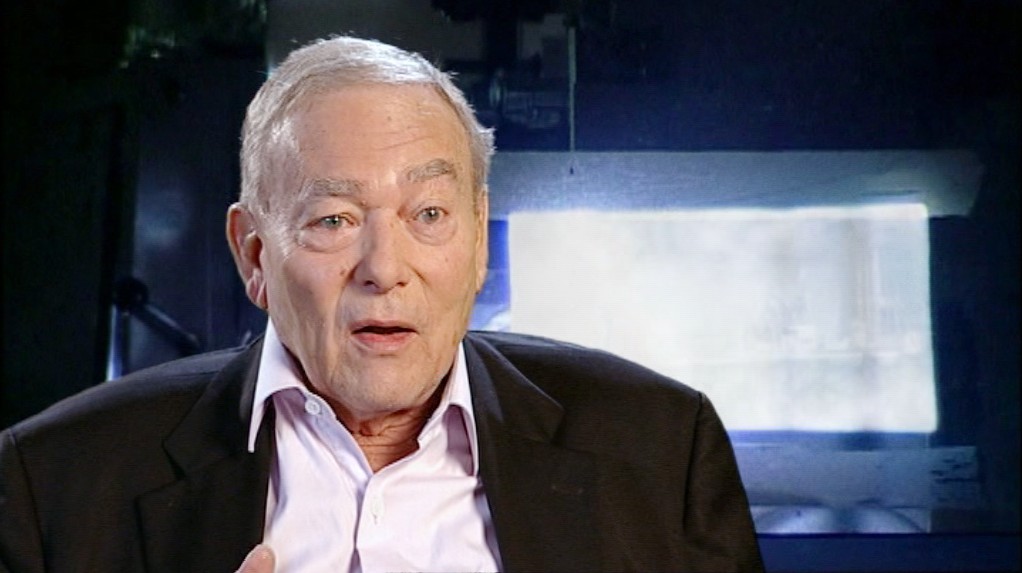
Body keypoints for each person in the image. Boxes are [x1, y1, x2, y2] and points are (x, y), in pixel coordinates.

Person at [0, 36, 764, 572]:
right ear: (254, 255)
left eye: (429, 214)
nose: (385, 269)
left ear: (478, 241)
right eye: (334, 220)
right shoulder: (52, 481)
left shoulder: (663, 449)